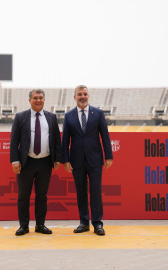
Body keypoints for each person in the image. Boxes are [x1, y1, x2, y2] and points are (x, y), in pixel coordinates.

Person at [62, 85, 113, 236]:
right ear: (74, 97)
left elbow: (105, 136)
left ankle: (97, 223)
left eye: (85, 94)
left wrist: (108, 156)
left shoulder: (97, 113)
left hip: (95, 159)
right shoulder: (68, 116)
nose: (82, 97)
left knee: (96, 192)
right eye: (79, 94)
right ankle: (84, 223)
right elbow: (65, 140)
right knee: (81, 192)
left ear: (88, 96)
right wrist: (65, 160)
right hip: (76, 161)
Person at [10, 89, 62, 236]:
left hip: (46, 162)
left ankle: (40, 225)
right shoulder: (21, 117)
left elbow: (57, 140)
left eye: (40, 98)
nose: (38, 100)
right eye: (35, 98)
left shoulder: (51, 117)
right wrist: (15, 160)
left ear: (44, 100)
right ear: (29, 100)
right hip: (26, 162)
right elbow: (14, 141)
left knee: (42, 196)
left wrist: (58, 158)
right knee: (23, 196)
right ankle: (24, 226)